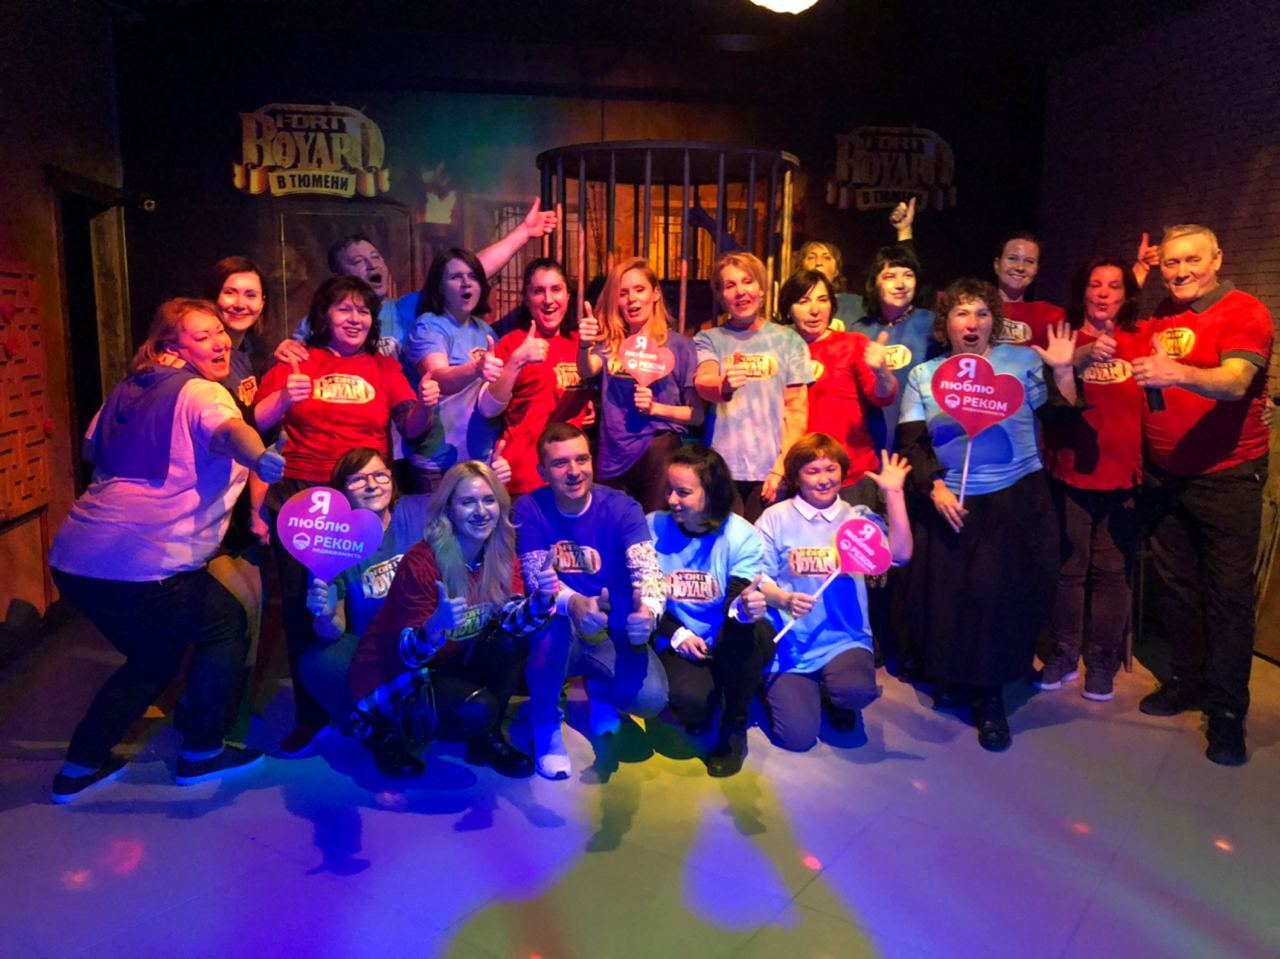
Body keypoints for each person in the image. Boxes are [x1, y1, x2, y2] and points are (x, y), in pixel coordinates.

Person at [47, 298, 287, 802]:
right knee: (225, 624)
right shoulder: (202, 391)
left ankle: (81, 764)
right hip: (144, 562)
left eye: (218, 331)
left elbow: (91, 448)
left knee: (153, 655)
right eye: (202, 336)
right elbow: (231, 431)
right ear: (171, 348)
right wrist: (259, 457)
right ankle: (202, 750)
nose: (219, 342)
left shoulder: (130, 387)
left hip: (74, 561)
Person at [254, 275, 440, 756]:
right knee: (307, 607)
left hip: (367, 498)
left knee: (375, 598)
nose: (355, 318)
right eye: (344, 308)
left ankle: (380, 699)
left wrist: (427, 405)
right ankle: (311, 715)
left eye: (363, 310)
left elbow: (412, 426)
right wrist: (285, 396)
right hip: (304, 502)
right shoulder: (297, 360)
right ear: (324, 315)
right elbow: (257, 422)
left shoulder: (383, 366)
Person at [898, 279, 1079, 751]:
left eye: (981, 313)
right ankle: (959, 679)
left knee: (997, 600)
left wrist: (1062, 371)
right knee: (954, 600)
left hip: (1014, 498)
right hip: (952, 501)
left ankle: (991, 696)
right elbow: (912, 443)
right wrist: (934, 487)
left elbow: (1061, 422)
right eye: (961, 313)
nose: (971, 322)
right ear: (946, 323)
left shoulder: (1022, 362)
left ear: (993, 321)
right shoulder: (924, 375)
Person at [1131, 224, 1273, 766]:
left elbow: (1236, 382)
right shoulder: (1162, 314)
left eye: (1192, 260)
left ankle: (1228, 709)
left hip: (1227, 479)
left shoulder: (1244, 311)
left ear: (1217, 258)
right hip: (1166, 477)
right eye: (1171, 263)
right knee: (1177, 589)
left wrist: (1177, 372)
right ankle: (1187, 679)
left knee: (1228, 598)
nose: (1182, 271)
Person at [346, 462, 560, 778]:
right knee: (478, 708)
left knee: (510, 641)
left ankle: (486, 739)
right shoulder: (422, 561)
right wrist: (434, 626)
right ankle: (386, 730)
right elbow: (408, 655)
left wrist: (541, 601)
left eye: (489, 500)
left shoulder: (500, 554)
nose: (481, 511)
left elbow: (511, 620)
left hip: (446, 662)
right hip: (392, 674)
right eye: (468, 502)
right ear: (449, 509)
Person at [513, 422, 669, 779]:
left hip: (610, 628)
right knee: (550, 624)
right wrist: (574, 603)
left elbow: (647, 570)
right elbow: (538, 581)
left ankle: (599, 688)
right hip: (558, 629)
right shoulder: (529, 508)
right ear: (542, 472)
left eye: (581, 459)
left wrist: (649, 611)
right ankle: (546, 723)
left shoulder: (622, 507)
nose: (574, 471)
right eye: (560, 463)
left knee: (650, 698)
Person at [754, 435, 913, 751]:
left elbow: (901, 554)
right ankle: (786, 686)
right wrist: (783, 599)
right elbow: (757, 577)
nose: (824, 479)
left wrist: (894, 494)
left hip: (843, 637)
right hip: (790, 641)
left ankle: (838, 695)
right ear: (796, 476)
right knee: (797, 738)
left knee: (856, 691)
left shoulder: (857, 518)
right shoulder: (775, 517)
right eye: (813, 471)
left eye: (831, 469)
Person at [1038, 257, 1146, 700]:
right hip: (1071, 474)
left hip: (1125, 477)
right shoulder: (1064, 339)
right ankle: (1064, 653)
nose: (1103, 293)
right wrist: (1080, 358)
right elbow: (1055, 399)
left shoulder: (1141, 338)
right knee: (1070, 570)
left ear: (1126, 293)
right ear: (1082, 291)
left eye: (1114, 286)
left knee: (1113, 572)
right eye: (1096, 284)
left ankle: (1102, 660)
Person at [277, 199, 560, 366]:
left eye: (375, 257)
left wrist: (522, 233)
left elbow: (467, 272)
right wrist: (285, 351)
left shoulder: (407, 309)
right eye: (358, 261)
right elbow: (289, 358)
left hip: (403, 434)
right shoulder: (322, 320)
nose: (372, 265)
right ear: (340, 277)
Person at [648, 446, 774, 776]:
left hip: (732, 635)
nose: (672, 499)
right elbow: (645, 595)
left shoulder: (741, 535)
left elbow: (736, 599)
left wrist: (746, 607)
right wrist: (677, 633)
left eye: (683, 492)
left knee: (747, 633)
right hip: (683, 636)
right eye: (669, 489)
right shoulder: (653, 526)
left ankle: (734, 727)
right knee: (691, 704)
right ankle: (716, 693)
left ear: (712, 492)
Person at [298, 448, 432, 738]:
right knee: (319, 661)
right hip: (373, 650)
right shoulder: (331, 545)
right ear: (342, 491)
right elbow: (333, 632)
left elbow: (464, 493)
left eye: (380, 475)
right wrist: (326, 616)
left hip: (426, 639)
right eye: (357, 479)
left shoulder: (416, 509)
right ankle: (371, 726)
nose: (372, 485)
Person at [577, 257, 703, 512]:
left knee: (653, 530)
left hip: (658, 453)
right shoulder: (611, 344)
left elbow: (697, 415)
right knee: (614, 531)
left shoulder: (681, 346)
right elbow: (586, 369)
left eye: (639, 289)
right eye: (623, 293)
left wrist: (656, 408)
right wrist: (583, 345)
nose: (631, 299)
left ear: (655, 293)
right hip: (612, 458)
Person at [694, 252, 813, 521]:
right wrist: (724, 385)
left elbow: (796, 412)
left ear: (761, 289)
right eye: (730, 285)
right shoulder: (708, 338)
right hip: (721, 471)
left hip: (771, 472)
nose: (740, 291)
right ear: (720, 296)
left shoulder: (789, 340)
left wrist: (782, 468)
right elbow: (704, 381)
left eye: (747, 281)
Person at [776, 268, 896, 498]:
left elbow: (882, 396)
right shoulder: (779, 350)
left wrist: (882, 373)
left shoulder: (852, 344)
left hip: (850, 474)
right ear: (788, 309)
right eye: (803, 301)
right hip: (796, 475)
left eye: (823, 300)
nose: (815, 310)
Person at [480, 257, 593, 497]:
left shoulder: (580, 343)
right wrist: (517, 361)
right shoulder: (512, 344)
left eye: (556, 289)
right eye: (538, 291)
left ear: (568, 295)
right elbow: (488, 409)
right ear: (526, 298)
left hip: (571, 481)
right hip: (523, 480)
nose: (548, 299)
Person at [403, 248, 504, 491]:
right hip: (438, 463)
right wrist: (476, 368)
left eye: (473, 276)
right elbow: (437, 378)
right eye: (456, 277)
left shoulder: (485, 330)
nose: (466, 283)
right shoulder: (429, 326)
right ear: (439, 286)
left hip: (480, 459)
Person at [848, 242, 944, 457]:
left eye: (908, 275)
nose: (900, 284)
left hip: (920, 442)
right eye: (890, 276)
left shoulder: (934, 326)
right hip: (871, 443)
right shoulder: (859, 330)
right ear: (875, 283)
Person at [796, 199, 916, 323]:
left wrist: (904, 231)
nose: (818, 262)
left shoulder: (857, 305)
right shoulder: (793, 303)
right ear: (801, 266)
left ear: (837, 270)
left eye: (826, 257)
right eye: (811, 257)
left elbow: (900, 302)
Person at [991, 232, 1065, 348]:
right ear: (997, 265)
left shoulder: (1049, 316)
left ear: (1037, 269)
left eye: (1029, 261)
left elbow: (1076, 351)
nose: (1020, 267)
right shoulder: (972, 310)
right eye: (1012, 259)